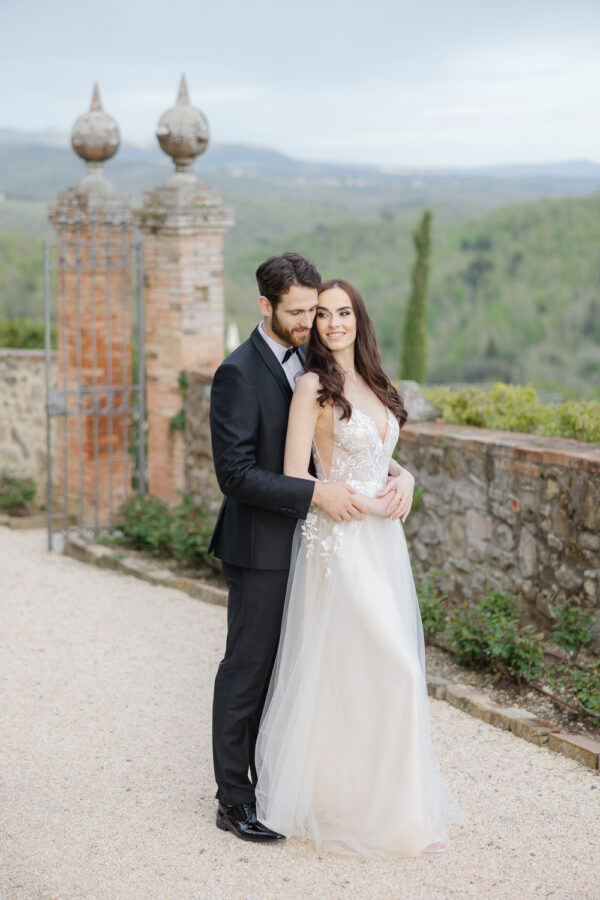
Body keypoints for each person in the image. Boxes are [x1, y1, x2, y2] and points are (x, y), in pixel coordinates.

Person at [209, 254, 417, 843]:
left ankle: (293, 787)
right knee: (249, 670)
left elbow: (347, 438)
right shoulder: (237, 372)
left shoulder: (314, 359)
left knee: (305, 672)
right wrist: (318, 494)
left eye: (316, 311)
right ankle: (234, 800)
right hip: (261, 546)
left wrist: (402, 473)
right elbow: (235, 475)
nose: (310, 322)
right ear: (266, 306)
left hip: (321, 543)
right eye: (299, 312)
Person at [254, 278, 465, 858]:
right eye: (322, 314)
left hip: (383, 546)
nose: (333, 323)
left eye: (343, 312)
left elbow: (377, 451)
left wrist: (405, 476)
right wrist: (365, 502)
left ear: (358, 318)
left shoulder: (375, 381)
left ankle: (389, 810)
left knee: (365, 673)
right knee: (398, 669)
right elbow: (295, 474)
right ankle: (376, 810)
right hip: (340, 542)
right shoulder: (311, 386)